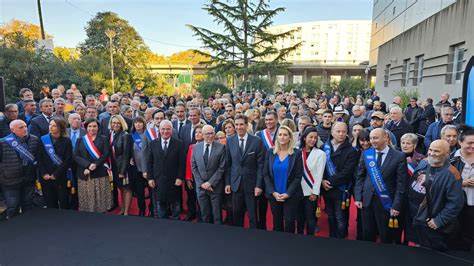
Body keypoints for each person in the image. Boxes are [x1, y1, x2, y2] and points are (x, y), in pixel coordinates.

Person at [355, 128, 408, 243]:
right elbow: (360, 176)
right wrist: (358, 196)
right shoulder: (366, 153)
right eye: (371, 138)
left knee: (386, 235)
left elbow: (401, 184)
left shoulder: (399, 156)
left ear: (386, 138)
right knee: (368, 233)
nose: (372, 141)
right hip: (367, 200)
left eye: (375, 138)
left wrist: (396, 205)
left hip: (386, 203)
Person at [412, 140, 463, 251]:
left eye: (436, 151)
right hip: (415, 219)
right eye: (430, 149)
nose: (431, 153)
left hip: (431, 225)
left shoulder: (452, 174)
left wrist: (439, 220)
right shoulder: (423, 162)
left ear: (446, 154)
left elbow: (456, 203)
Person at [225, 114, 264, 228]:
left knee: (252, 215)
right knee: (237, 213)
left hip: (251, 185)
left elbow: (260, 165)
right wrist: (227, 183)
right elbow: (228, 164)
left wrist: (259, 185)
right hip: (235, 183)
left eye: (241, 124)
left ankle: (254, 237)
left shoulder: (256, 141)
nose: (239, 127)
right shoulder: (230, 141)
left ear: (247, 126)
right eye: (236, 125)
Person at [322, 122, 360, 238]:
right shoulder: (324, 147)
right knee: (331, 216)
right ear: (332, 132)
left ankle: (341, 239)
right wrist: (322, 181)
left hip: (341, 189)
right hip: (326, 188)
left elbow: (347, 172)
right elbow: (319, 168)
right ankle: (332, 237)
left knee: (341, 218)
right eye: (338, 131)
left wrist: (330, 182)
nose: (341, 134)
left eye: (344, 131)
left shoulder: (352, 151)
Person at [263, 126, 303, 233]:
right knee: (277, 222)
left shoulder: (296, 154)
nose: (282, 137)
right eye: (280, 134)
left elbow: (298, 176)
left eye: (285, 135)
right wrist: (273, 192)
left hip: (290, 195)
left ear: (290, 137)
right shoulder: (270, 153)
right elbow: (266, 174)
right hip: (274, 195)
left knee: (290, 221)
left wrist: (288, 193)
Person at [146, 120, 185, 220]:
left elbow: (182, 163)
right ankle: (163, 223)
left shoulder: (179, 144)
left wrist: (180, 177)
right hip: (158, 180)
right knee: (160, 203)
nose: (165, 131)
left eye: (168, 129)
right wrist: (150, 178)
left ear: (171, 130)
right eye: (163, 129)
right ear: (159, 130)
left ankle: (176, 221)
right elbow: (149, 162)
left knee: (175, 203)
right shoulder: (153, 144)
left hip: (174, 180)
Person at [0, 120, 40, 218]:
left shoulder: (34, 139)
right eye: (21, 127)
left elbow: (38, 158)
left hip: (28, 179)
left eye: (25, 126)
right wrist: (4, 172)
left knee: (28, 204)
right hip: (10, 180)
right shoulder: (3, 142)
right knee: (13, 206)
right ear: (12, 130)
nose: (25, 129)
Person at [73, 118, 113, 213]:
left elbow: (105, 154)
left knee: (100, 195)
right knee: (86, 195)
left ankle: (101, 212)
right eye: (89, 126)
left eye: (94, 126)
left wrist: (95, 164)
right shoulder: (80, 140)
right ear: (86, 128)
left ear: (98, 127)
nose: (92, 128)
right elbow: (76, 156)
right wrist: (88, 165)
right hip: (84, 172)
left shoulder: (104, 139)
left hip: (99, 171)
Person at [191, 125, 226, 224]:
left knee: (217, 216)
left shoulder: (221, 147)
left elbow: (222, 167)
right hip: (201, 187)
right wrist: (202, 183)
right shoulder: (196, 147)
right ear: (202, 135)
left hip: (215, 187)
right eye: (207, 134)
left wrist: (210, 183)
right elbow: (194, 166)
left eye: (212, 133)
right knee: (205, 215)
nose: (210, 136)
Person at [38, 117, 73, 209]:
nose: (51, 127)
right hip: (46, 177)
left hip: (60, 176)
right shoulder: (43, 139)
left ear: (60, 128)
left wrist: (56, 174)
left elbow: (68, 160)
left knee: (63, 201)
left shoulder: (66, 141)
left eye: (54, 126)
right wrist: (44, 173)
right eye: (50, 125)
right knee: (50, 203)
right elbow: (39, 158)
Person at [296, 127, 326, 235]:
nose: (313, 140)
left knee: (310, 218)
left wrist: (315, 192)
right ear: (304, 138)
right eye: (310, 137)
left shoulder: (320, 154)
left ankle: (310, 239)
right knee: (299, 218)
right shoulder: (297, 151)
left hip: (310, 192)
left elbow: (319, 175)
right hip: (297, 190)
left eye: (315, 138)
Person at [254, 111, 279, 230]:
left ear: (277, 120)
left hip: (278, 173)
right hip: (264, 173)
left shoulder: (283, 133)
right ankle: (262, 226)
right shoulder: (259, 135)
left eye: (271, 119)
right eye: (267, 120)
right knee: (262, 203)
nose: (268, 122)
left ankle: (277, 228)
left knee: (277, 205)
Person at [450, 127, 474, 251]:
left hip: (472, 203)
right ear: (460, 142)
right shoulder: (451, 159)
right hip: (455, 203)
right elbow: (443, 182)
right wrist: (461, 182)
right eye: (469, 143)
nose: (472, 146)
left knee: (469, 234)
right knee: (454, 233)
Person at [399, 133, 425, 244]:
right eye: (403, 143)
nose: (405, 145)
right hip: (399, 194)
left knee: (410, 223)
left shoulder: (422, 159)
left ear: (414, 145)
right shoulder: (395, 155)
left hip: (414, 197)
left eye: (408, 143)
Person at [178, 107, 201, 221]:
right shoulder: (185, 128)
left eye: (194, 115)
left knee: (201, 194)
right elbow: (182, 147)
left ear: (199, 116)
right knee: (190, 192)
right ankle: (192, 212)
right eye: (190, 115)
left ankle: (202, 214)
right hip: (188, 165)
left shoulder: (204, 128)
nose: (192, 117)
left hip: (201, 167)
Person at [108, 115, 132, 215]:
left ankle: (126, 211)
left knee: (126, 189)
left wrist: (122, 171)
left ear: (122, 124)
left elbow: (126, 154)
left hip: (123, 168)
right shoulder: (112, 134)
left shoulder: (125, 135)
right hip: (114, 167)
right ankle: (122, 208)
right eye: (114, 123)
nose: (116, 125)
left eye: (118, 123)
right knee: (121, 188)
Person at [127, 116, 148, 216]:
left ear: (144, 124)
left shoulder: (148, 135)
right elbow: (128, 151)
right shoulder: (131, 136)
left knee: (152, 190)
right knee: (139, 191)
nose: (138, 124)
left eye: (140, 122)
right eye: (136, 123)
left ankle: (152, 210)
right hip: (136, 168)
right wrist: (130, 158)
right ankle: (142, 209)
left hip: (148, 168)